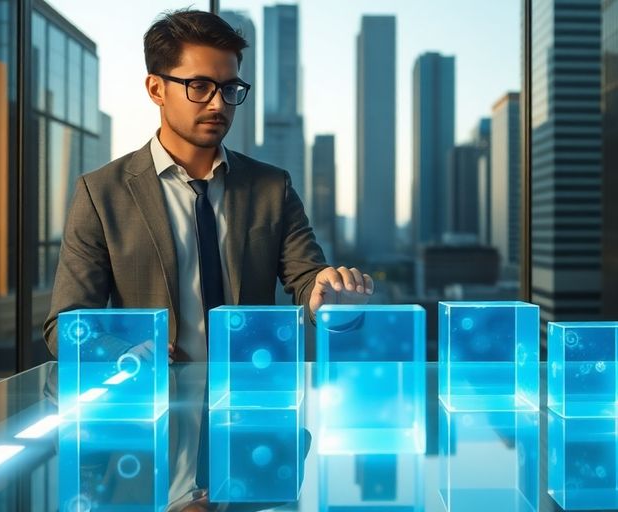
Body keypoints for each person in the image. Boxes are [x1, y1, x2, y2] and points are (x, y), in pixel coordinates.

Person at [42, 9, 372, 362]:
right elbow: (65, 323)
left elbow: (307, 278)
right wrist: (123, 354)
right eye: (199, 86)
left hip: (250, 387)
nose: (218, 104)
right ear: (156, 89)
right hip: (154, 389)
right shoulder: (102, 193)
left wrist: (329, 298)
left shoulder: (272, 187)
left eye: (229, 88)